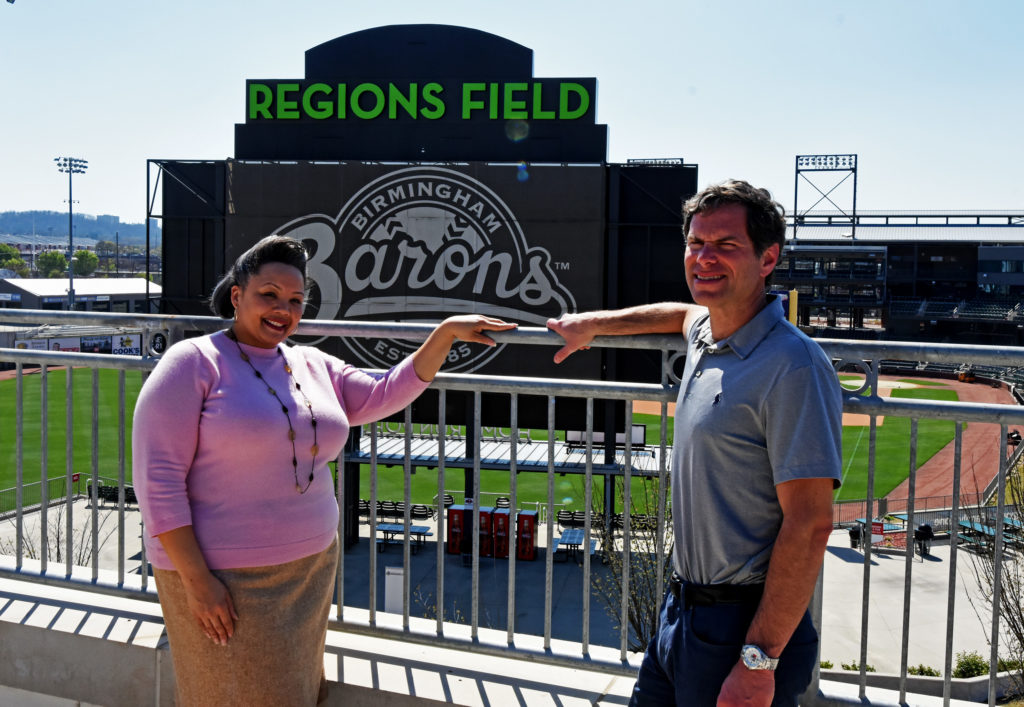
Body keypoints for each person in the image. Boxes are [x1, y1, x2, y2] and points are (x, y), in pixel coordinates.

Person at [133, 235, 514, 706]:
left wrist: (444, 335)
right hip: (224, 578)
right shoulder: (192, 362)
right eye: (268, 295)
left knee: (295, 695)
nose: (283, 310)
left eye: (295, 300)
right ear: (237, 295)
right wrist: (198, 582)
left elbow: (383, 394)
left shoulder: (310, 363)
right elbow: (158, 484)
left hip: (309, 572)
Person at [547, 180, 842, 706]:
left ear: (768, 257)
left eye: (726, 245)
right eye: (696, 243)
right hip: (682, 610)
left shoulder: (794, 366)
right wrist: (592, 325)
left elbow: (812, 522)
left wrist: (758, 661)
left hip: (743, 628)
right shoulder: (707, 329)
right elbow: (673, 313)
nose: (704, 258)